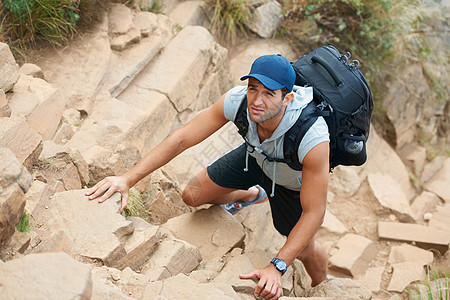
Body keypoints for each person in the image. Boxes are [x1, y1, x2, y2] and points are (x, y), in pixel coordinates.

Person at [86, 54, 329, 300]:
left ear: (287, 97)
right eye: (253, 89)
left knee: (303, 248)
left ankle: (324, 286)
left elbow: (315, 212)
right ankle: (253, 195)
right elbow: (182, 138)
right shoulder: (238, 101)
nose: (257, 100)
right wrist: (128, 179)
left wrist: (277, 266)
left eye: (269, 93)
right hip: (255, 158)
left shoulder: (312, 136)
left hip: (290, 183)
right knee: (191, 195)